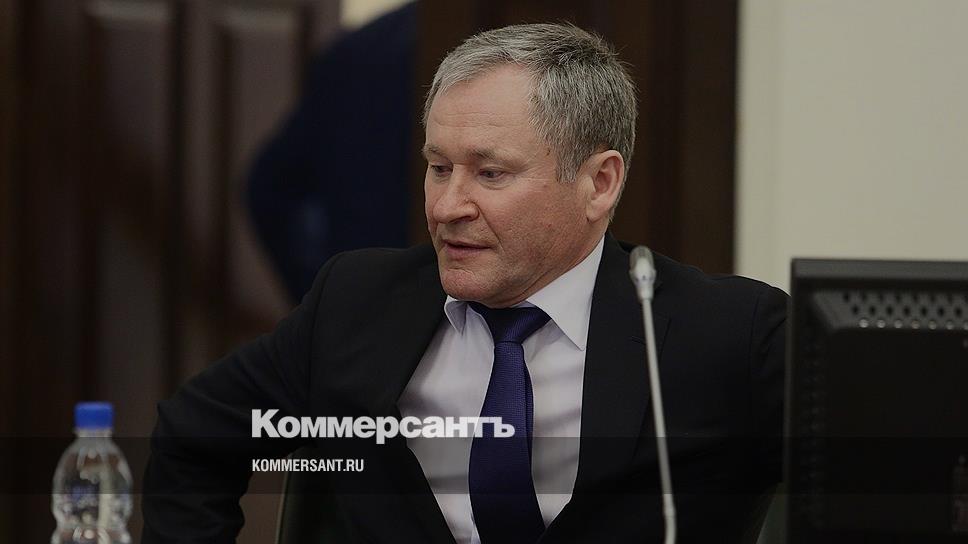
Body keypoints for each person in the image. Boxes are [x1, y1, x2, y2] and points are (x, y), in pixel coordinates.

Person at [143, 23, 787, 543]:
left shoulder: (731, 336)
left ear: (599, 183)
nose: (447, 206)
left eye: (490, 173)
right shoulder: (359, 300)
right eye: (438, 167)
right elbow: (195, 434)